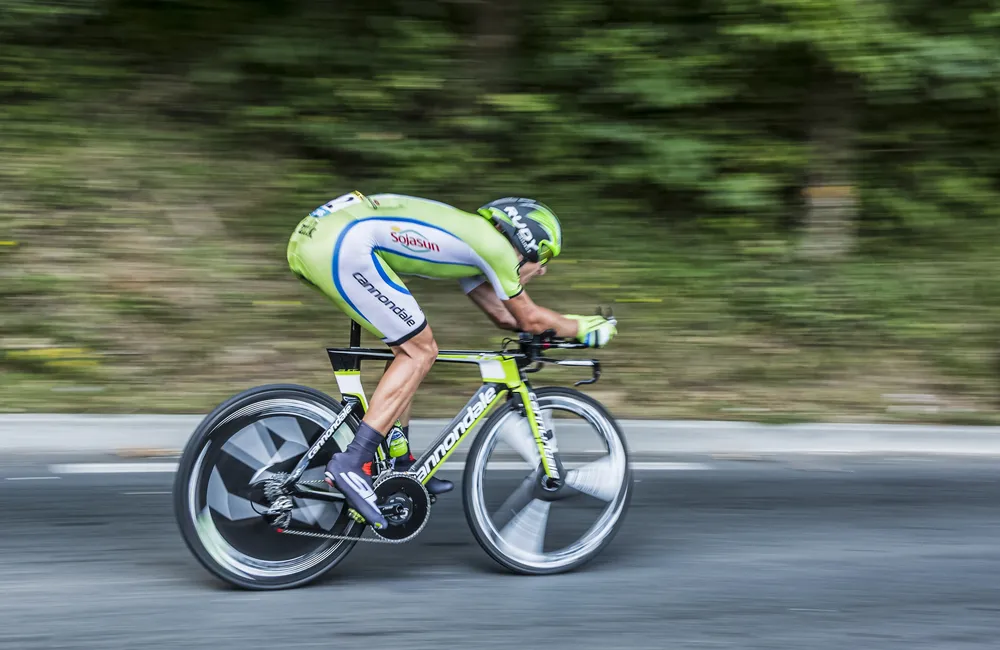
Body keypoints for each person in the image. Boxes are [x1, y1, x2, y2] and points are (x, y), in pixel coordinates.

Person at [286, 191, 617, 529]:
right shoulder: (497, 248)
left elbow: (506, 318)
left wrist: (551, 328)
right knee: (421, 350)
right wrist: (583, 328)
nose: (542, 270)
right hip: (343, 243)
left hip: (320, 238)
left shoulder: (475, 244)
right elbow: (530, 318)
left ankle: (400, 462)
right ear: (526, 239)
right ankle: (352, 463)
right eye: (544, 256)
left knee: (408, 346)